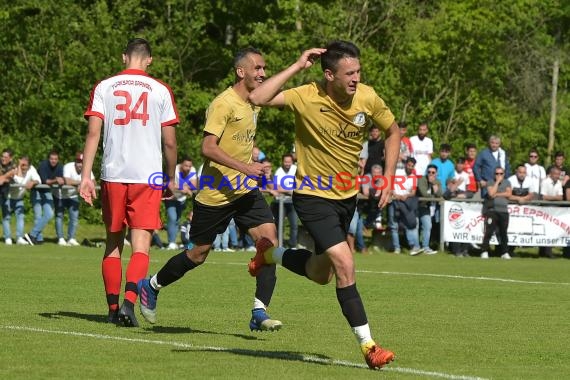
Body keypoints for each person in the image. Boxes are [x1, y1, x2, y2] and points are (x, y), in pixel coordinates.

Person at [248, 41, 399, 369]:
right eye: (349, 73)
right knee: (345, 263)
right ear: (329, 74)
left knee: (321, 274)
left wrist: (388, 176)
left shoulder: (367, 97)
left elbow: (393, 131)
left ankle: (270, 254)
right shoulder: (306, 94)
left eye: (358, 71)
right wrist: (297, 65)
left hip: (347, 199)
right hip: (313, 197)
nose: (356, 78)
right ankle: (369, 347)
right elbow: (256, 97)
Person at [136, 47, 283, 332]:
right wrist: (247, 167)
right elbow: (207, 147)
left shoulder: (255, 102)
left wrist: (251, 163)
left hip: (245, 191)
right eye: (258, 68)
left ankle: (259, 311)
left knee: (269, 245)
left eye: (265, 69)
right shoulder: (223, 103)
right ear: (241, 72)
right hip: (215, 195)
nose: (263, 74)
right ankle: (151, 285)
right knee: (197, 255)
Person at [79, 38, 179, 327]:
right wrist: (170, 177)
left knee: (113, 244)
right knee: (141, 246)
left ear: (124, 57)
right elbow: (170, 142)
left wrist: (86, 176)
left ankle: (111, 309)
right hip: (146, 176)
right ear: (149, 60)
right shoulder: (161, 90)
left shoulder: (104, 87)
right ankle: (129, 304)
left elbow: (93, 134)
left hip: (113, 173)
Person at [24, 150, 64, 245]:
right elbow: (45, 181)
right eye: (51, 159)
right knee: (38, 215)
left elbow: (61, 180)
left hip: (46, 191)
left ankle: (32, 235)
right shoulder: (43, 165)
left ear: (58, 160)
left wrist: (60, 180)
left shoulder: (60, 167)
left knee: (49, 214)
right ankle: (38, 239)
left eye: (55, 159)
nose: (53, 161)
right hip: (37, 190)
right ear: (48, 159)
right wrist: (56, 180)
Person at [57, 152, 95, 246]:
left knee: (74, 218)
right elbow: (67, 180)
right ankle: (60, 238)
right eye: (78, 161)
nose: (80, 164)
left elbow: (93, 181)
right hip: (61, 195)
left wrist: (82, 184)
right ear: (75, 162)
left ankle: (71, 238)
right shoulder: (68, 166)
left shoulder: (87, 169)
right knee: (59, 217)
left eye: (82, 162)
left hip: (73, 196)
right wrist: (81, 183)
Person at [389, 157, 421, 255]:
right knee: (394, 225)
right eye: (409, 165)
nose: (410, 167)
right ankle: (397, 248)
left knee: (409, 224)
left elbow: (413, 192)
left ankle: (413, 246)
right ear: (406, 164)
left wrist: (406, 195)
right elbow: (390, 186)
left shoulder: (414, 177)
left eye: (412, 166)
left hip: (405, 202)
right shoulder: (397, 172)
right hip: (393, 200)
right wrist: (396, 195)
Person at [480, 168, 512, 259]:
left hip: (504, 211)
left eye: (501, 173)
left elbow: (509, 194)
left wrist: (497, 194)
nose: (499, 175)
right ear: (494, 174)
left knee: (503, 232)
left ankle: (505, 252)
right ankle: (484, 251)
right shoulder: (490, 182)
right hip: (492, 210)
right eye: (497, 173)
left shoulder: (507, 182)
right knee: (488, 232)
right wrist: (497, 183)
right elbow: (490, 194)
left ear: (504, 174)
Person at [165, 156, 196, 249]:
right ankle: (171, 242)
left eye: (189, 166)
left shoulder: (192, 170)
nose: (188, 168)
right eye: (186, 166)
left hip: (181, 199)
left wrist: (181, 187)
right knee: (172, 218)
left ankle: (173, 242)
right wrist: (185, 188)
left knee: (177, 220)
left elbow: (194, 184)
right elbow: (171, 185)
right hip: (170, 198)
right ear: (181, 164)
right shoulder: (174, 170)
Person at [270, 153, 298, 248]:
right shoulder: (279, 171)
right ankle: (279, 244)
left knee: (294, 225)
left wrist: (285, 190)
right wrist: (288, 191)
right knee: (279, 224)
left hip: (292, 202)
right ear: (282, 162)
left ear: (292, 162)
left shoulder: (296, 169)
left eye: (289, 162)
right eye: (286, 161)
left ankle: (292, 245)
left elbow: (300, 185)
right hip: (280, 202)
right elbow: (276, 187)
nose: (287, 163)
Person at [538, 166, 563, 258]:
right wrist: (555, 198)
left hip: (555, 210)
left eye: (559, 174)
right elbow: (543, 197)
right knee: (544, 230)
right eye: (556, 174)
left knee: (552, 230)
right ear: (551, 174)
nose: (557, 176)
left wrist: (551, 198)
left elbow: (560, 197)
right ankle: (543, 251)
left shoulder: (559, 183)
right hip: (545, 209)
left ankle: (547, 251)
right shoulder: (545, 182)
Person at [416, 164, 442, 254]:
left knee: (427, 226)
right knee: (417, 226)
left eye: (433, 172)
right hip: (419, 206)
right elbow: (424, 194)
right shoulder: (422, 180)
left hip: (429, 207)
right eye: (429, 172)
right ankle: (417, 247)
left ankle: (425, 247)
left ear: (436, 173)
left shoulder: (437, 182)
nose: (431, 174)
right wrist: (433, 196)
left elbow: (439, 194)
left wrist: (434, 183)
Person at [1, 148, 17, 244]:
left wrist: (4, 178)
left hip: (5, 193)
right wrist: (7, 176)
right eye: (2, 156)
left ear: (10, 158)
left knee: (6, 216)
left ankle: (7, 237)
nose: (3, 158)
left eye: (6, 157)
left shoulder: (13, 165)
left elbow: (15, 175)